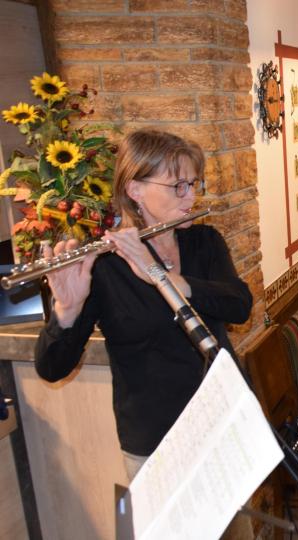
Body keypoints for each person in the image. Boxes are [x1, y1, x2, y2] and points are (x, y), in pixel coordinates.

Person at [35, 129, 253, 480]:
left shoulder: (203, 242)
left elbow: (240, 305)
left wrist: (166, 279)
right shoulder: (104, 266)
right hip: (156, 443)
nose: (189, 196)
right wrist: (67, 311)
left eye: (193, 184)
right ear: (135, 190)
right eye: (177, 186)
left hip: (222, 418)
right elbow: (52, 368)